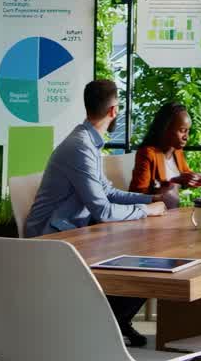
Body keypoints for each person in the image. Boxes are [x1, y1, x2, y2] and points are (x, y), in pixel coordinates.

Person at [22, 79, 168, 347]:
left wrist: (153, 198)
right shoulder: (80, 146)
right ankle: (101, 328)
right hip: (50, 239)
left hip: (73, 232)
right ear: (114, 110)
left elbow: (108, 192)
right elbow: (103, 210)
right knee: (141, 264)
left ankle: (112, 323)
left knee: (145, 259)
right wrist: (147, 210)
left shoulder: (88, 141)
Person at [129, 103, 201, 196]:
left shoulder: (177, 151)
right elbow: (138, 193)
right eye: (182, 131)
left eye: (188, 131)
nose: (187, 137)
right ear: (165, 128)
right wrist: (173, 182)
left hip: (172, 208)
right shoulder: (147, 153)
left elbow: (185, 174)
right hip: (153, 209)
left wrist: (194, 178)